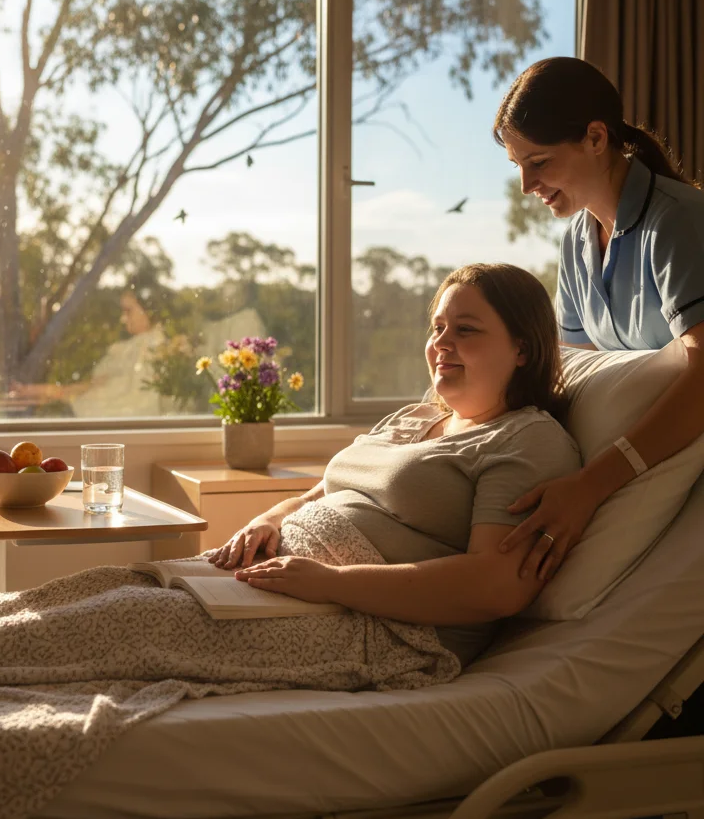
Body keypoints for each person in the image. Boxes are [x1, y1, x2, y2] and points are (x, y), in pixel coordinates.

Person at [212, 263, 581, 667]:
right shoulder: (416, 416)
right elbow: (327, 491)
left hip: (378, 627)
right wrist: (272, 517)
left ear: (522, 349)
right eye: (437, 328)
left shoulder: (526, 439)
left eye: (465, 329)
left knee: (134, 625)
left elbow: (495, 585)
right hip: (285, 583)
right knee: (135, 587)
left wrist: (332, 583)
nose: (442, 342)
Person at [494, 57, 704, 583]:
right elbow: (580, 378)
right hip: (625, 472)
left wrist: (590, 486)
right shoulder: (577, 243)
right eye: (518, 165)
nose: (526, 184)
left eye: (537, 161)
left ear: (594, 137)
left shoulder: (677, 221)